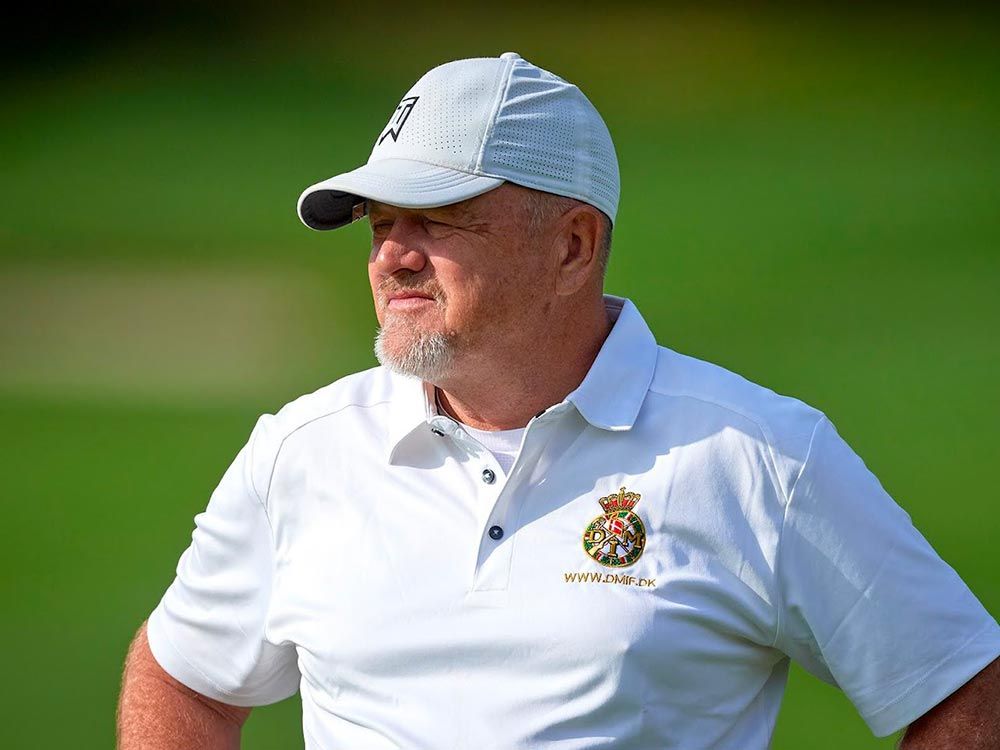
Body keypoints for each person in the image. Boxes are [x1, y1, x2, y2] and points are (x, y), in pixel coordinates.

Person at [117, 52, 1000, 749]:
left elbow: (962, 685)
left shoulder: (761, 458)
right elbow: (185, 677)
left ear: (573, 246)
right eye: (381, 224)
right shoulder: (303, 450)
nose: (392, 256)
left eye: (436, 219)